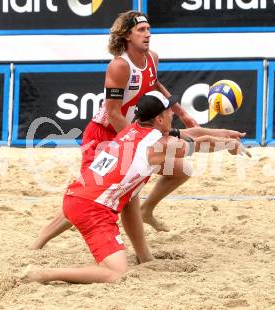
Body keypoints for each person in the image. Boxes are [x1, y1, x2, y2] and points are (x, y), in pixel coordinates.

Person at [30, 11, 246, 262]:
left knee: (179, 170)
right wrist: (135, 143)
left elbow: (155, 86)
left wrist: (181, 114)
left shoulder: (151, 58)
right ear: (126, 35)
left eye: (148, 29)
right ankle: (40, 240)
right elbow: (112, 111)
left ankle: (147, 214)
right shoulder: (119, 66)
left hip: (134, 132)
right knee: (92, 194)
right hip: (104, 135)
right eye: (141, 30)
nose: (148, 34)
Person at [21, 91, 250, 285]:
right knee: (114, 273)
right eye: (169, 110)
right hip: (92, 209)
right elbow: (199, 144)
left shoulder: (134, 130)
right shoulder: (158, 145)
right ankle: (43, 274)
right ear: (159, 119)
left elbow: (192, 134)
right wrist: (229, 145)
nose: (173, 112)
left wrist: (227, 134)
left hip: (76, 195)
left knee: (131, 193)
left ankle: (144, 256)